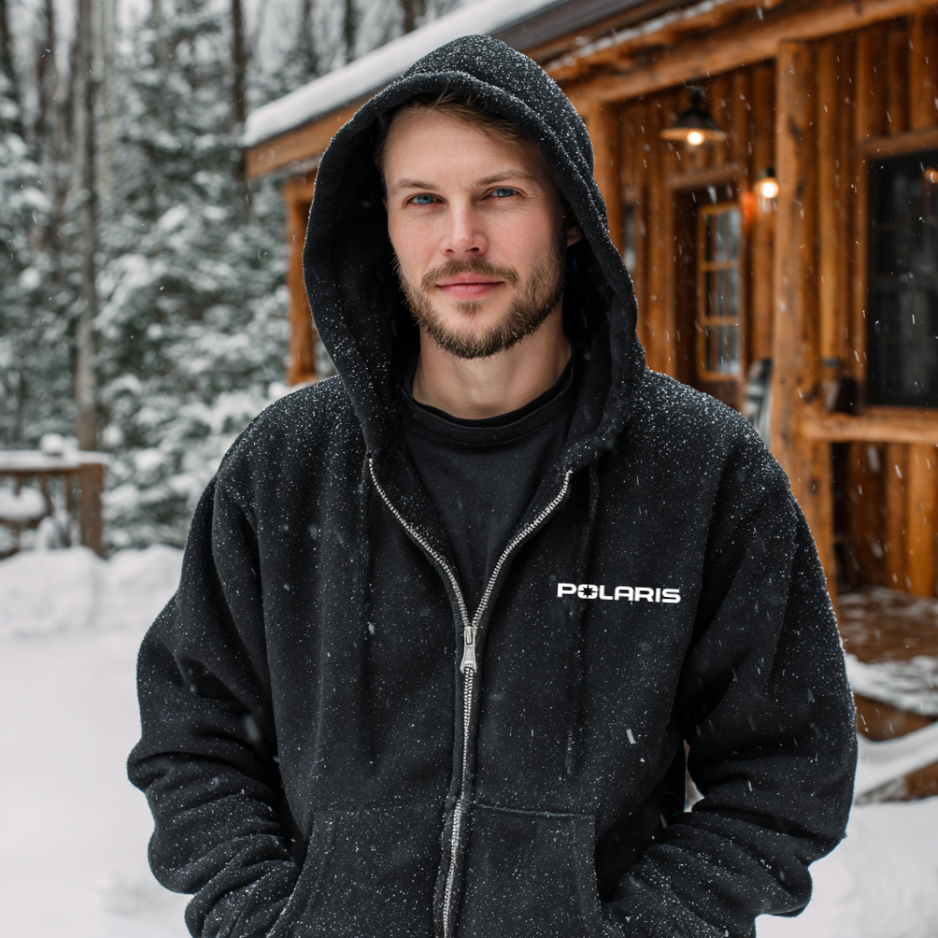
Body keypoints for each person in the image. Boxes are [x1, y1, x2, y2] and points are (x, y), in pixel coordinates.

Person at [129, 35, 856, 938]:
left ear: (572, 215)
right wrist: (262, 918)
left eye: (500, 195)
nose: (460, 238)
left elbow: (789, 765)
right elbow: (193, 732)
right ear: (384, 223)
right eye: (423, 200)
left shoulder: (700, 471)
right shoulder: (285, 471)